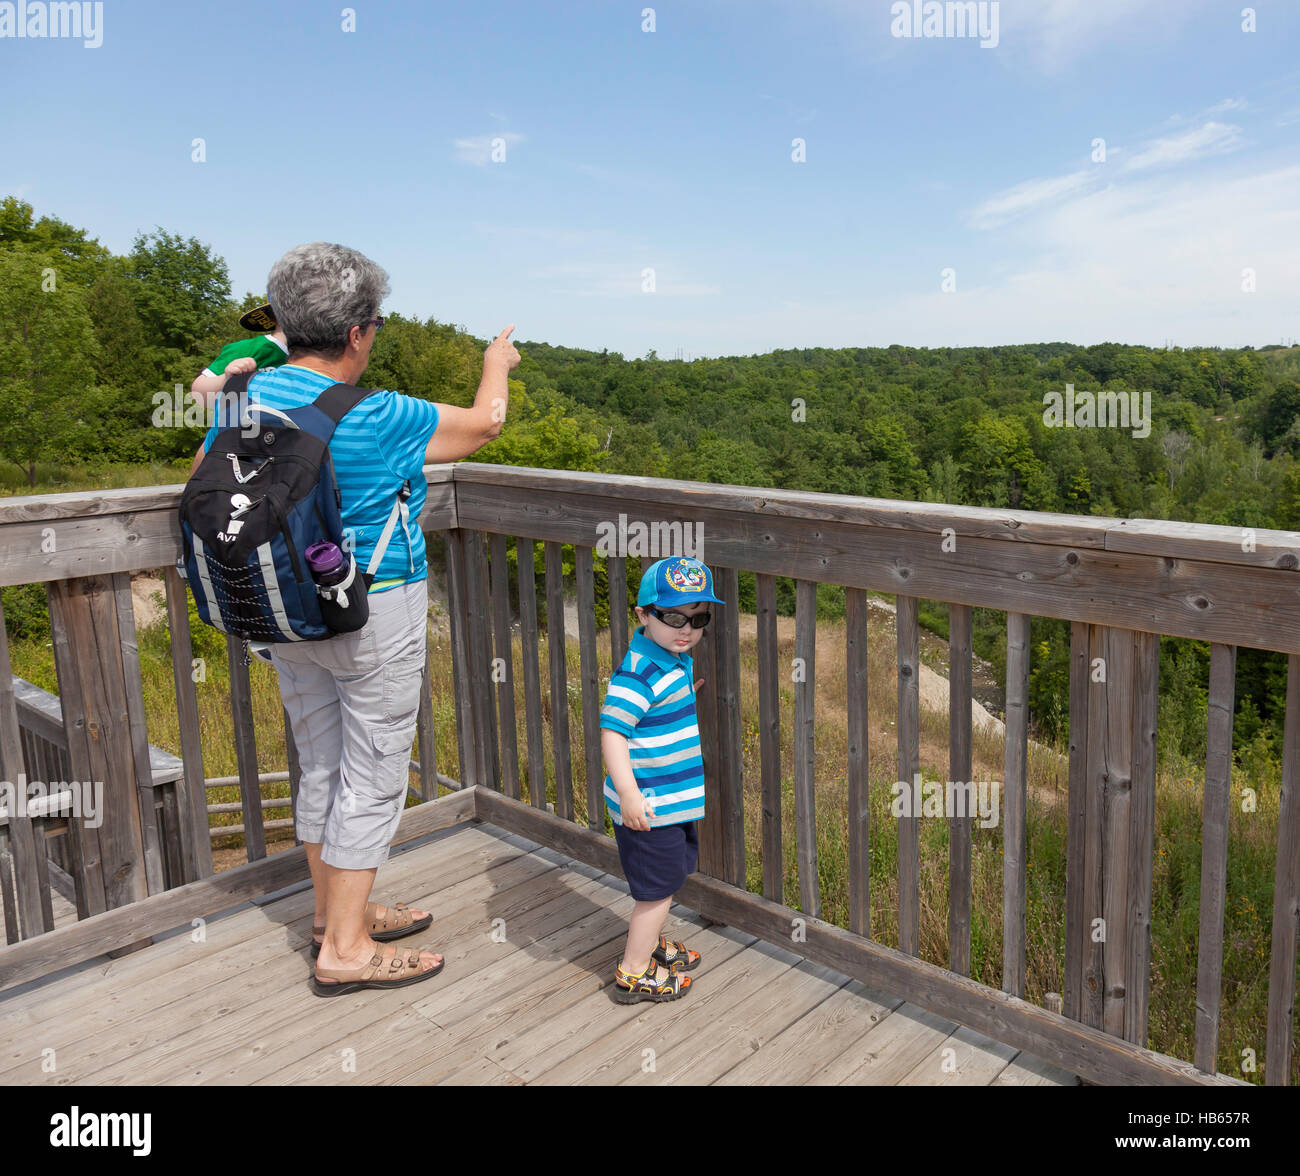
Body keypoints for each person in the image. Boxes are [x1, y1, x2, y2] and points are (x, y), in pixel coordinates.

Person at [189, 241, 519, 995]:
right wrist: (496, 363)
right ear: (359, 333)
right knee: (372, 777)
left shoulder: (243, 399)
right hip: (373, 610)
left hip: (278, 612)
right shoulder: (382, 413)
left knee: (324, 764)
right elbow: (482, 426)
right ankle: (345, 949)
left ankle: (335, 915)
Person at [598, 556, 723, 1002]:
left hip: (673, 801)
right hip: (650, 806)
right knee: (655, 893)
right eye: (671, 616)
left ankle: (649, 944)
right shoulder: (640, 672)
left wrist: (682, 695)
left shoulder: (671, 658)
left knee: (668, 882)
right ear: (642, 616)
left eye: (697, 618)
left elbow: (651, 711)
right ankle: (634, 970)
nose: (685, 629)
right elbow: (613, 732)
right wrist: (629, 795)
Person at [189, 303, 289, 415]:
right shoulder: (247, 349)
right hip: (244, 429)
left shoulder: (310, 355)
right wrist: (226, 379)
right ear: (277, 313)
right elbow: (199, 395)